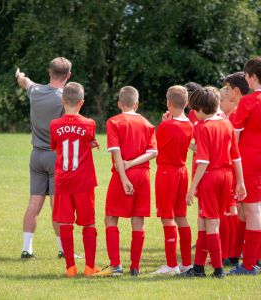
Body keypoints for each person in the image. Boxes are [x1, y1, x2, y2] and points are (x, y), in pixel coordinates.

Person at [16, 57, 80, 259]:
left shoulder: (34, 91)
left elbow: (24, 82)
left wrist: (20, 75)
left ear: (49, 72)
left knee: (34, 204)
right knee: (57, 205)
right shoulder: (64, 99)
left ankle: (27, 249)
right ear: (68, 76)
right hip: (56, 157)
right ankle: (63, 250)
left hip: (36, 155)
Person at [180, 86, 246, 278]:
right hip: (227, 176)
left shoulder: (204, 127)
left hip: (210, 177)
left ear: (201, 109)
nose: (194, 114)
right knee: (204, 221)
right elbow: (236, 156)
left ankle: (218, 270)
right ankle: (199, 268)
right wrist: (240, 181)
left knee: (211, 223)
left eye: (195, 110)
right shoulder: (226, 124)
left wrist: (192, 188)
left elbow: (203, 161)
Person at [94, 86, 157, 277]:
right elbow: (153, 152)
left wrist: (124, 176)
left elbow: (116, 151)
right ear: (137, 104)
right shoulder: (147, 124)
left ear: (119, 104)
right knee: (138, 220)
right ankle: (135, 267)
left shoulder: (114, 121)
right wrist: (132, 164)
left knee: (111, 217)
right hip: (143, 176)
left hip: (123, 175)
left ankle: (117, 266)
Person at [228, 55, 261, 275]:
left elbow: (235, 138)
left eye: (246, 77)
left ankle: (249, 264)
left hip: (250, 162)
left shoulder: (248, 102)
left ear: (252, 77)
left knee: (252, 211)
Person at [50, 82, 100, 277]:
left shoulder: (54, 124)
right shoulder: (89, 123)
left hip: (63, 180)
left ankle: (70, 267)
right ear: (82, 102)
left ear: (63, 100)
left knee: (65, 223)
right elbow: (87, 140)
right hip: (84, 181)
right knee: (88, 224)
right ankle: (89, 267)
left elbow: (56, 147)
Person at [152, 86, 193, 275]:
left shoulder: (166, 126)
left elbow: (156, 147)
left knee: (167, 217)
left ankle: (170, 265)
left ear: (169, 103)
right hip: (182, 172)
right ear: (186, 104)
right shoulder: (190, 125)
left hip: (167, 173)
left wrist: (163, 124)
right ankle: (186, 262)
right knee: (181, 216)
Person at [220, 72, 250, 266]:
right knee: (239, 210)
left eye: (226, 94)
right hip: (240, 166)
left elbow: (233, 145)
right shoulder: (235, 113)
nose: (221, 102)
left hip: (238, 167)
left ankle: (237, 251)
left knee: (240, 210)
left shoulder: (239, 113)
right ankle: (234, 251)